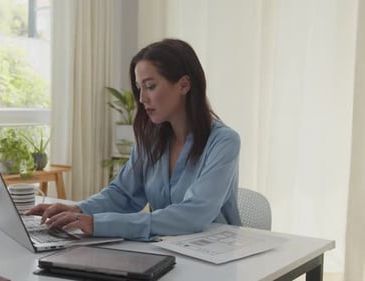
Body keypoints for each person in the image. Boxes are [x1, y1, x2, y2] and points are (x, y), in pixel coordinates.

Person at [26, 38, 241, 241]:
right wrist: (79, 210)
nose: (142, 98)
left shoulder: (224, 142)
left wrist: (98, 223)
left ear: (184, 85)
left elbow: (193, 214)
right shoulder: (152, 140)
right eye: (139, 88)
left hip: (217, 258)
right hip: (169, 251)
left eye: (150, 86)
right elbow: (123, 194)